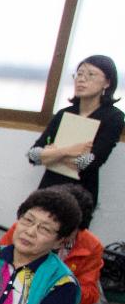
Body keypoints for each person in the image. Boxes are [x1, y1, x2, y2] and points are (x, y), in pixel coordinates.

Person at [0, 183, 101, 304]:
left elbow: (91, 293)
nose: (31, 231)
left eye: (46, 228)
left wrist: (50, 288)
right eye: (28, 220)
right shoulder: (21, 231)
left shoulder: (90, 247)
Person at [29, 54, 122, 206]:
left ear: (107, 82)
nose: (81, 79)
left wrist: (51, 154)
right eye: (79, 74)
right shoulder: (64, 113)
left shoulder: (114, 117)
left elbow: (90, 162)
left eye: (90, 74)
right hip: (49, 187)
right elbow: (33, 155)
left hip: (81, 194)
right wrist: (69, 151)